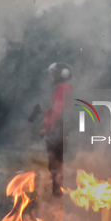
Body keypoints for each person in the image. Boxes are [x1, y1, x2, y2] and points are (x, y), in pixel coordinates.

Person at [39, 62, 73, 197]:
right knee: (59, 163)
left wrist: (47, 129)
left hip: (56, 132)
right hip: (63, 131)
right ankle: (59, 191)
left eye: (52, 74)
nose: (51, 77)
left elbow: (58, 112)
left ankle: (57, 192)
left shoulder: (61, 89)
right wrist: (45, 111)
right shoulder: (67, 88)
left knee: (54, 164)